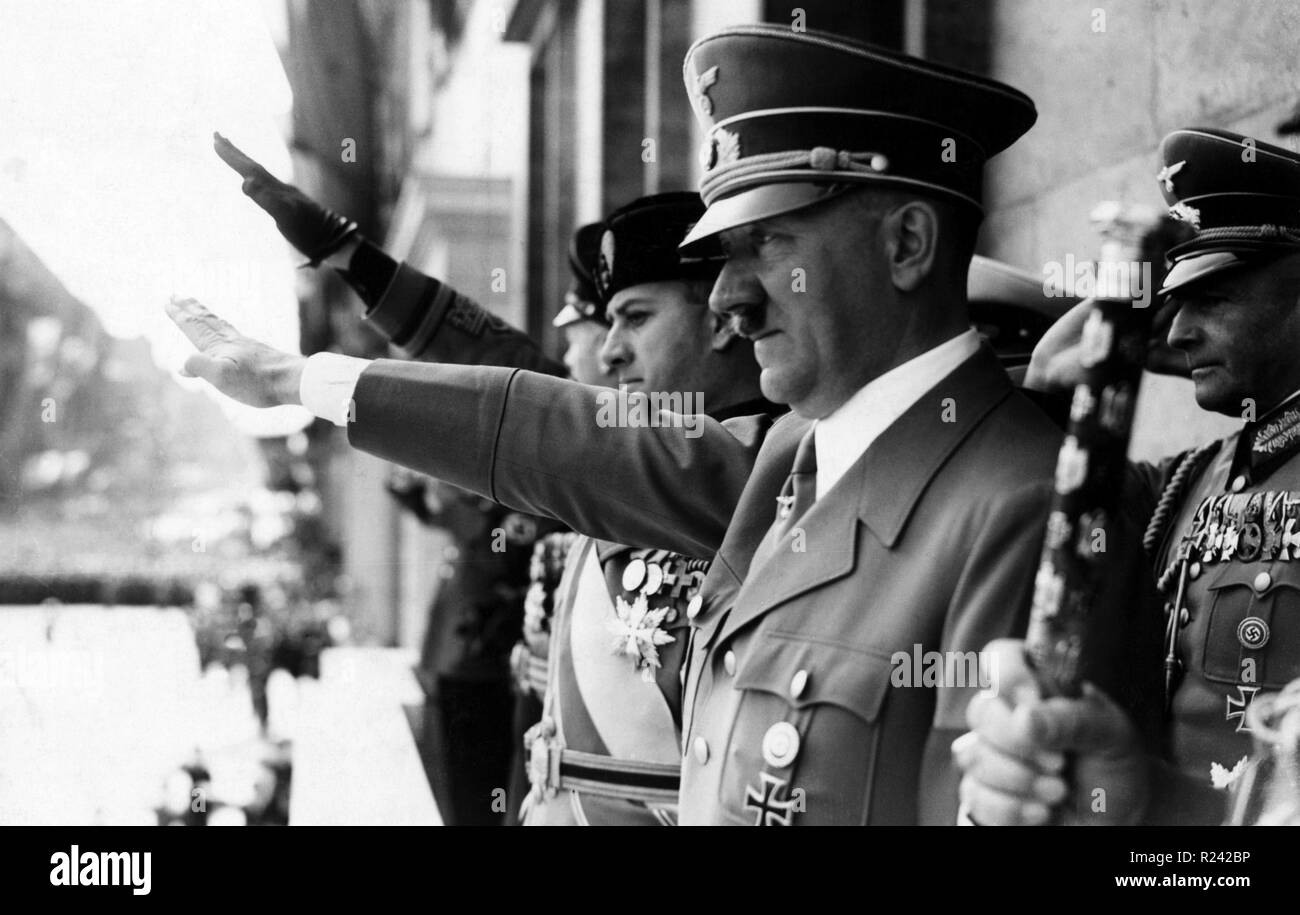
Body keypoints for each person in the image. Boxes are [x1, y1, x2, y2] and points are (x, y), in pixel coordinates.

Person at [171, 25, 1151, 824]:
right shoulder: (790, 457)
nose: (729, 298)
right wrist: (303, 377)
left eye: (766, 243)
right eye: (718, 257)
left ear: (905, 242)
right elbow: (552, 430)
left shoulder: (1025, 508)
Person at [214, 136, 607, 824]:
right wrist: (349, 258)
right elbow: (498, 368)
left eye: (630, 319)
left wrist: (298, 376)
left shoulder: (668, 431)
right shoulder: (617, 423)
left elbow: (510, 385)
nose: (592, 349)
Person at [953, 128, 1300, 825]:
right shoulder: (1194, 480)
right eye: (1175, 303)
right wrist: (1131, 295)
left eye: (1214, 296)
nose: (1174, 334)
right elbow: (1053, 370)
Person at [520, 192, 779, 825]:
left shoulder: (773, 470)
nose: (608, 352)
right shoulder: (627, 457)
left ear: (721, 320)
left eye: (635, 318)